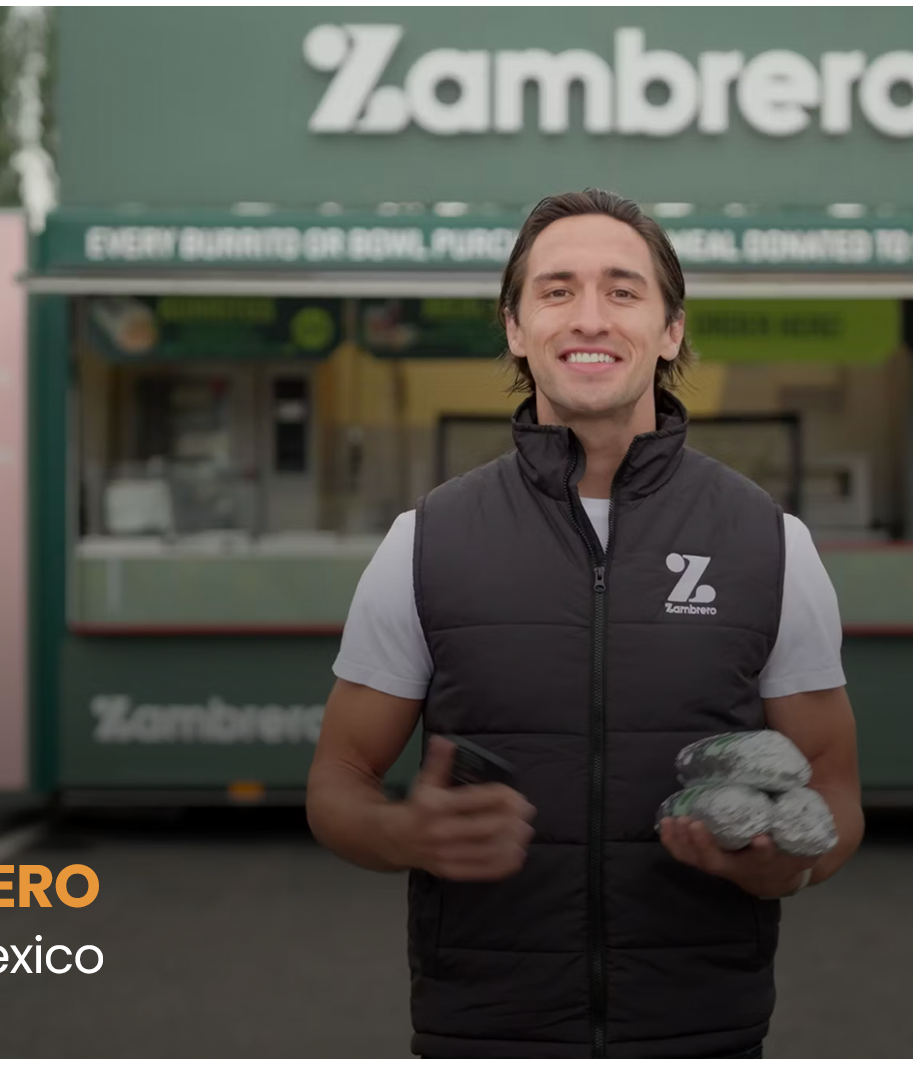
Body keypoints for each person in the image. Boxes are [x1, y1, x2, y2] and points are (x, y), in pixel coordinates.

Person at [305, 188, 863, 1060]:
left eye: (623, 290)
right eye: (557, 290)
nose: (589, 317)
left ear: (672, 330)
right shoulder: (427, 541)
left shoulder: (769, 542)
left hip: (702, 1034)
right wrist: (393, 832)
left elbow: (835, 787)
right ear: (517, 328)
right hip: (484, 1033)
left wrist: (789, 863)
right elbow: (339, 776)